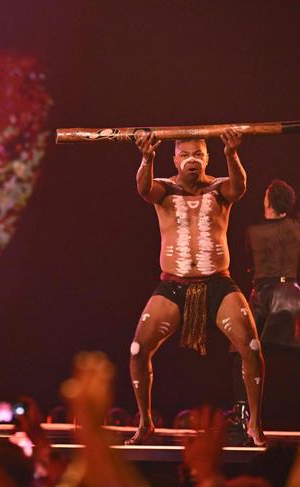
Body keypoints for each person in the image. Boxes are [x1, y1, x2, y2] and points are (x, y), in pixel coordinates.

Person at [127, 129, 265, 446]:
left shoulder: (219, 188)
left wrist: (232, 154)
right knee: (137, 350)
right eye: (186, 154)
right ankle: (146, 422)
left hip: (218, 284)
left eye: (199, 154)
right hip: (173, 287)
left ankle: (255, 424)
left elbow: (240, 187)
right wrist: (146, 158)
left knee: (253, 347)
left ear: (207, 158)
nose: (193, 160)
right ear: (174, 159)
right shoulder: (164, 189)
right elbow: (142, 188)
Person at [229, 180, 300, 433]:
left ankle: (242, 411)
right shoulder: (297, 229)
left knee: (242, 348)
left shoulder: (253, 233)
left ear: (267, 201)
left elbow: (245, 263)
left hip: (263, 294)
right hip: (292, 293)